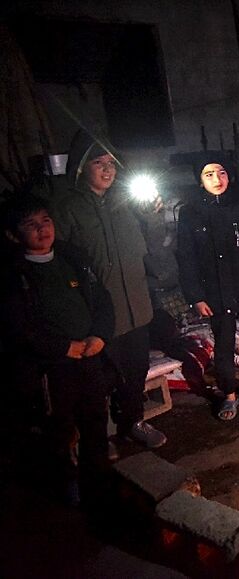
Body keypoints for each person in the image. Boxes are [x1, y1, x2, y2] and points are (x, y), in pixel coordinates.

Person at [53, 130, 167, 449]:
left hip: (137, 305)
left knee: (136, 370)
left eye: (112, 163)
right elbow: (60, 261)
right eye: (98, 162)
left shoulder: (126, 202)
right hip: (100, 313)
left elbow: (154, 246)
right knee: (100, 379)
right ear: (80, 167)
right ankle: (99, 436)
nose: (107, 170)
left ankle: (132, 421)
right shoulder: (68, 208)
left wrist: (154, 218)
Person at [1, 195, 115, 506]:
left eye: (45, 221)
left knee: (96, 417)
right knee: (60, 425)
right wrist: (63, 347)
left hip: (89, 355)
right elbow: (18, 326)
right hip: (52, 366)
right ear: (13, 235)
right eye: (31, 225)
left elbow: (102, 300)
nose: (42, 229)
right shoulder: (14, 275)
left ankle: (100, 475)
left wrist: (100, 336)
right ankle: (68, 481)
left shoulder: (72, 259)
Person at [176, 152, 239, 420]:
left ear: (229, 175)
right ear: (200, 181)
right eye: (209, 174)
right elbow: (185, 257)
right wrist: (196, 296)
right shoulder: (191, 213)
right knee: (223, 345)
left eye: (221, 172)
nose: (217, 179)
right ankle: (229, 395)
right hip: (215, 291)